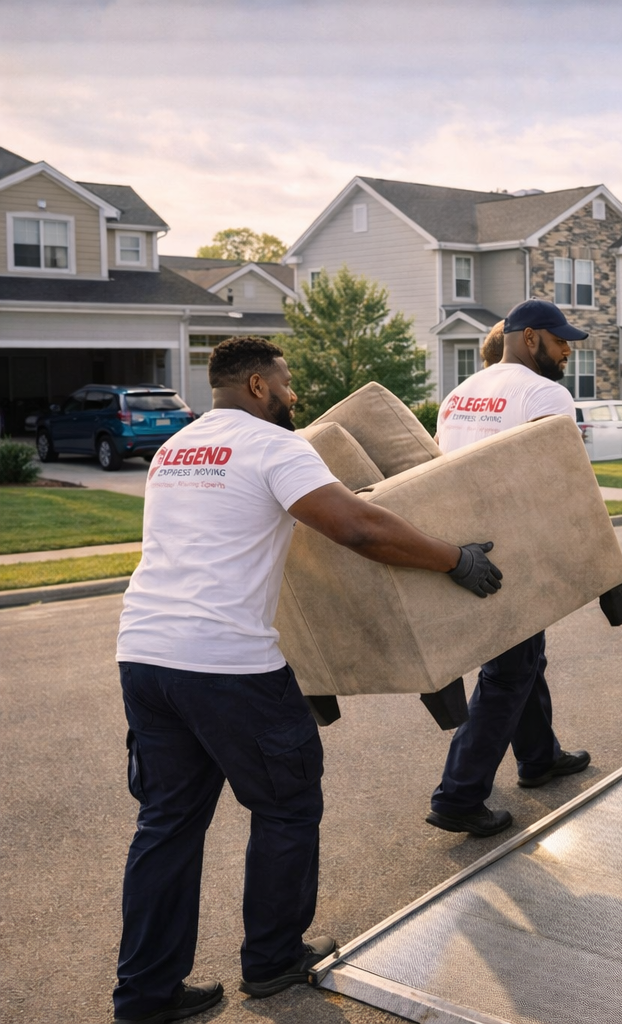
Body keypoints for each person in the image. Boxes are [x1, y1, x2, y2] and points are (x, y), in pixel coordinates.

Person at [113, 336, 502, 1024]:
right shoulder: (273, 444)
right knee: (287, 803)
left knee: (168, 823)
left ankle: (146, 994)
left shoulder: (176, 448)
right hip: (227, 662)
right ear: (260, 386)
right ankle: (272, 960)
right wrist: (451, 558)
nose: (295, 397)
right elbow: (354, 526)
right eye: (288, 383)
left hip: (145, 654)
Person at [425, 300, 594, 839]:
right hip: (517, 550)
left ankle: (539, 757)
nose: (568, 349)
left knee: (524, 658)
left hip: (467, 550)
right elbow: (558, 479)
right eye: (560, 339)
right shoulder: (545, 393)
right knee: (509, 672)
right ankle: (458, 795)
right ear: (527, 338)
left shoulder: (459, 393)